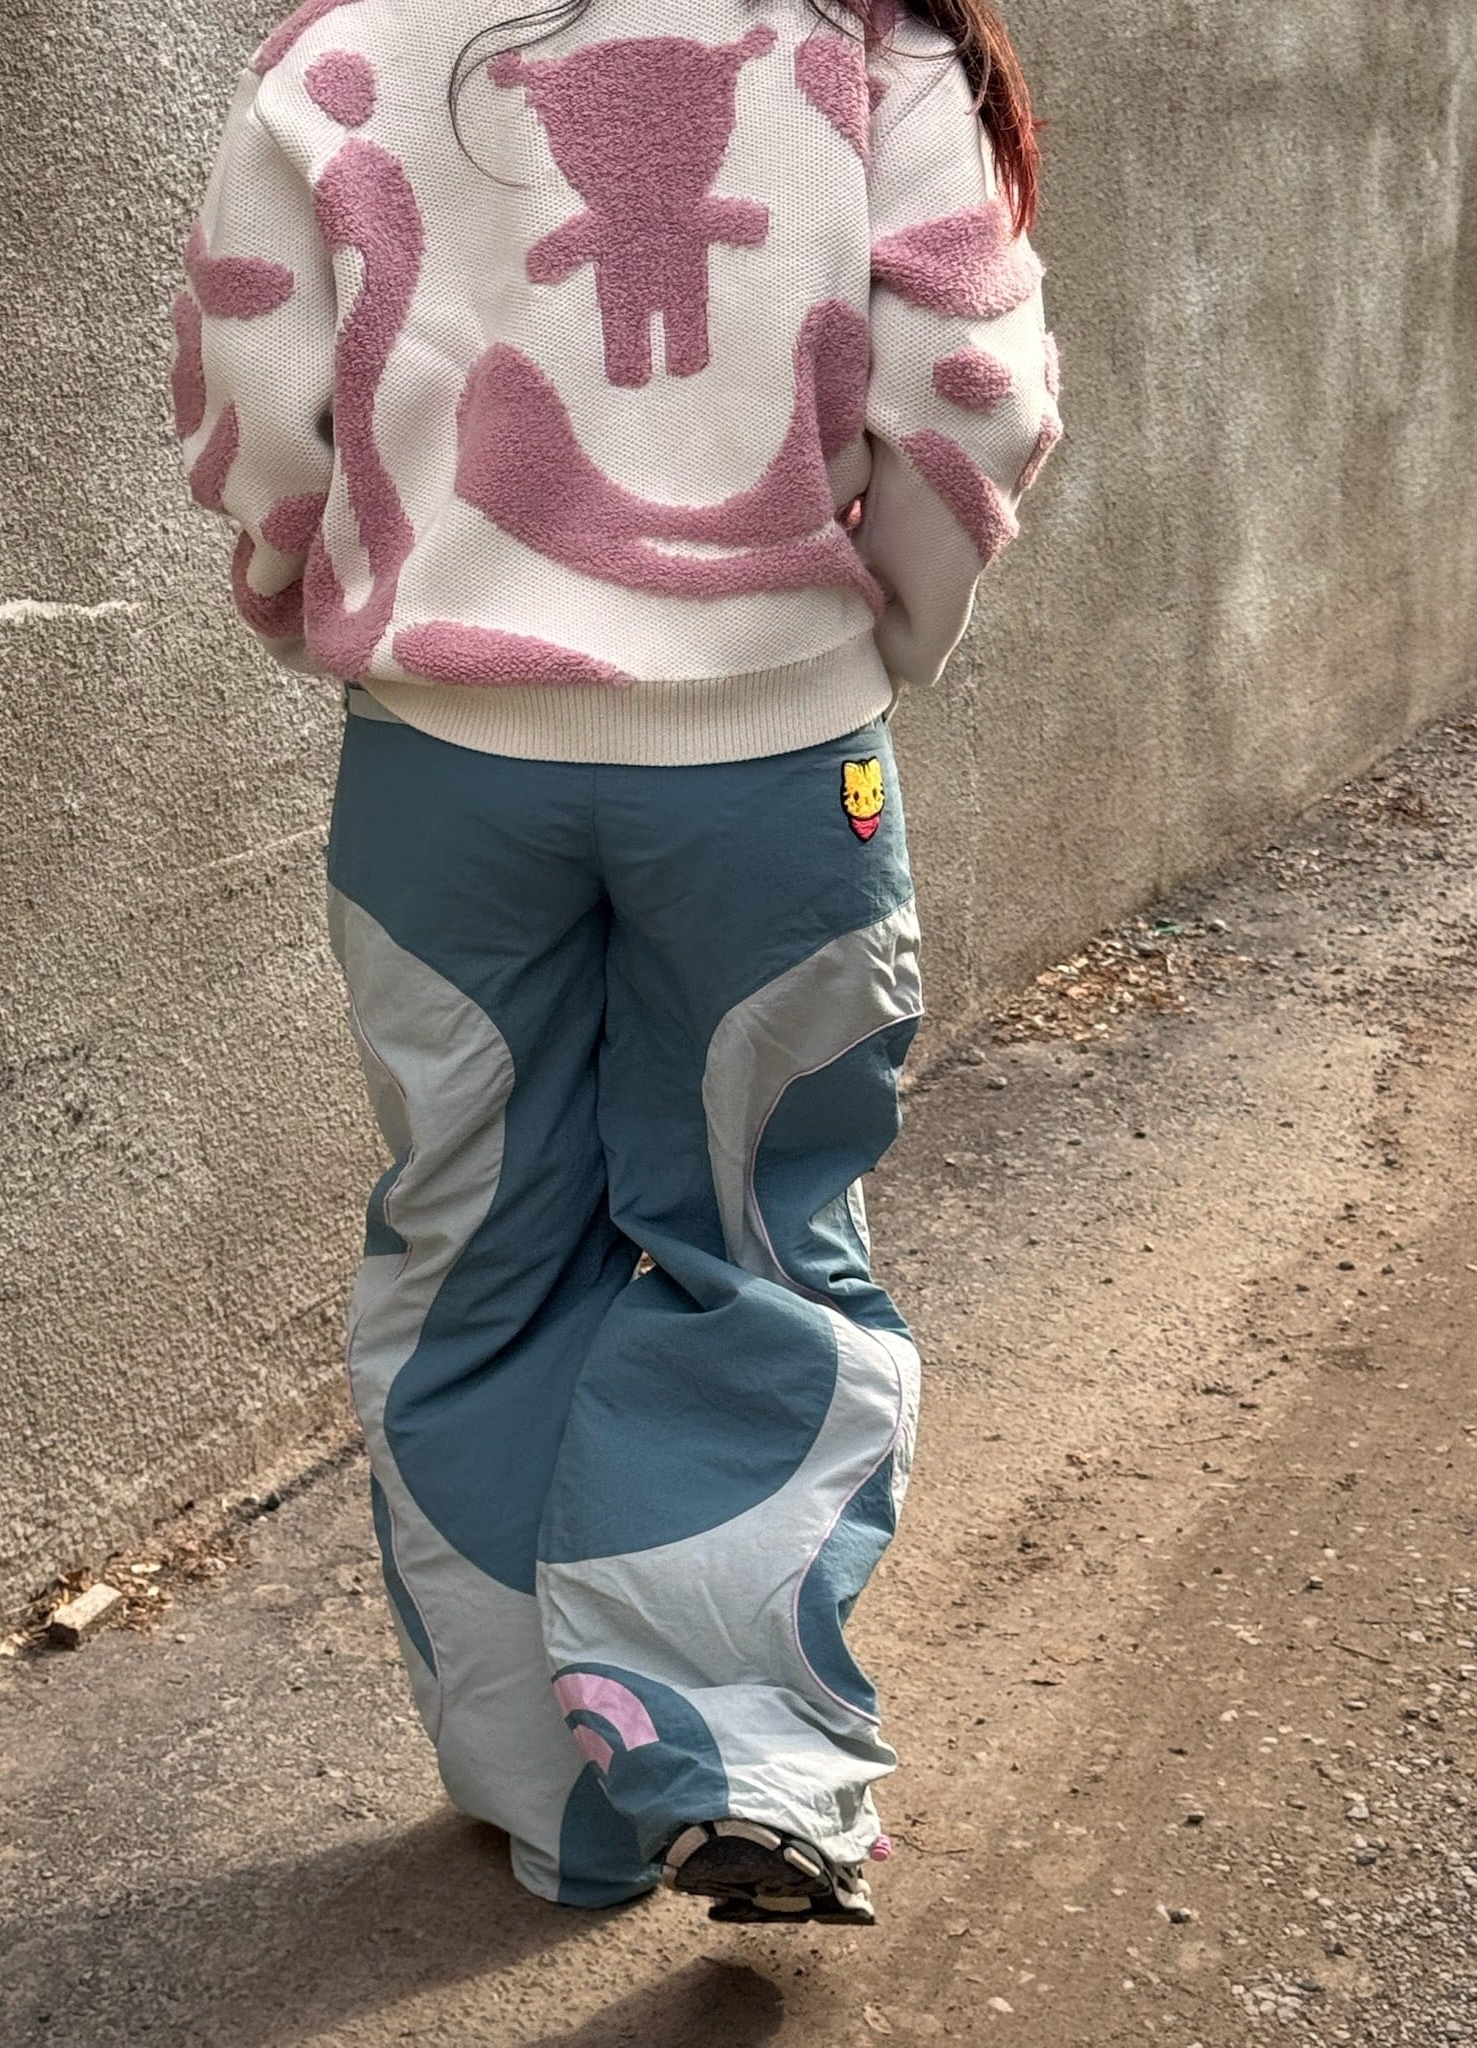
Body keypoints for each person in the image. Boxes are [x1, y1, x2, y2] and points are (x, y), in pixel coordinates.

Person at [175, 0, 1058, 1926]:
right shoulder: (870, 47)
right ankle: (734, 1763)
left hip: (442, 780)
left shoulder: (343, 49)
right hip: (770, 773)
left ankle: (559, 1813)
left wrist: (350, 607)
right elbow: (973, 389)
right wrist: (883, 636)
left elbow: (260, 403)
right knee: (758, 1248)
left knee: (473, 1262)